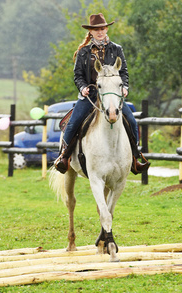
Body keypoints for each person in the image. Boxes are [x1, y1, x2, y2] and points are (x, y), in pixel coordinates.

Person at [54, 13, 150, 174]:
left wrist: (124, 86)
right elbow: (77, 75)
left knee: (132, 122)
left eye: (102, 28)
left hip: (111, 95)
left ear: (106, 29)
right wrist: (82, 87)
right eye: (96, 29)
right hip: (90, 96)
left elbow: (124, 72)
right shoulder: (83, 52)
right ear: (90, 31)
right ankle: (64, 157)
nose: (100, 32)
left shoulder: (117, 49)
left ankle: (135, 158)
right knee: (72, 123)